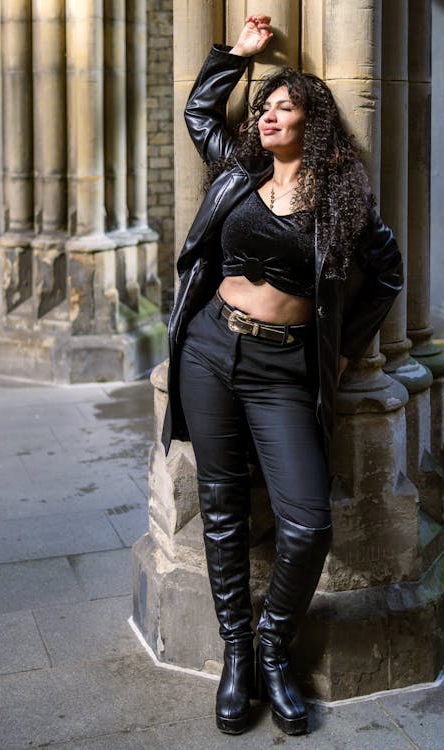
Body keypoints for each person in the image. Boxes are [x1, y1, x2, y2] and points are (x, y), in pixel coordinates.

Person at [162, 14, 403, 737]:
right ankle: (238, 652)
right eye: (263, 106)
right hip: (208, 350)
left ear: (313, 123)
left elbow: (386, 274)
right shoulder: (236, 172)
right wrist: (236, 56)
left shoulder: (343, 197)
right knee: (223, 505)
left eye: (282, 106)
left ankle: (273, 646)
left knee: (307, 522)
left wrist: (344, 350)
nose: (267, 114)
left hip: (280, 370)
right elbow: (199, 109)